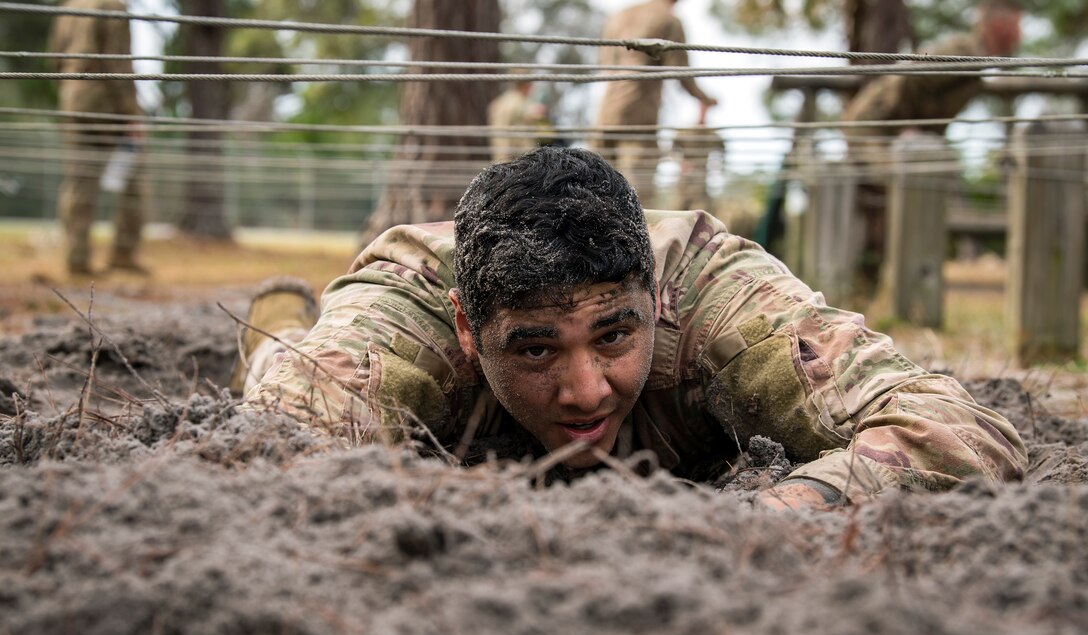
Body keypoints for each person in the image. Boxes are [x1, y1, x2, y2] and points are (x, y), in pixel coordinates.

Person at [236, 147, 1026, 511]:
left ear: (654, 297)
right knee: (279, 360)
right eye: (536, 348)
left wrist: (782, 514)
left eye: (614, 336)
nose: (585, 389)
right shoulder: (411, 317)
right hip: (403, 307)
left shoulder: (715, 294)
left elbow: (956, 428)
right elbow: (280, 448)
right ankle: (278, 315)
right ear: (469, 332)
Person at [841, 0, 1022, 280]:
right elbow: (910, 77)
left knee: (919, 186)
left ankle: (900, 275)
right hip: (876, 127)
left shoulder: (979, 63)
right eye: (1016, 27)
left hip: (894, 132)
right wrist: (906, 126)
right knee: (907, 187)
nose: (1020, 37)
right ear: (999, 28)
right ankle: (897, 277)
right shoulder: (965, 53)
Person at [49, 0, 147, 276]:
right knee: (134, 175)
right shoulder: (112, 6)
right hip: (105, 103)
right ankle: (123, 252)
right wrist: (131, 113)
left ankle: (76, 257)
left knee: (79, 179)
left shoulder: (68, 6)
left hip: (72, 98)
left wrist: (69, 90)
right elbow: (117, 62)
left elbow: (55, 58)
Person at [593, 0, 717, 204]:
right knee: (636, 196)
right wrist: (704, 98)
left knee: (596, 186)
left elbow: (604, 63)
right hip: (640, 117)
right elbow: (681, 72)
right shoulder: (669, 20)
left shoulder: (617, 16)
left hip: (605, 113)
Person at [487, 75, 547, 163]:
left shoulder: (523, 101)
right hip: (514, 156)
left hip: (524, 155)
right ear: (526, 86)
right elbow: (499, 132)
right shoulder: (508, 103)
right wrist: (502, 159)